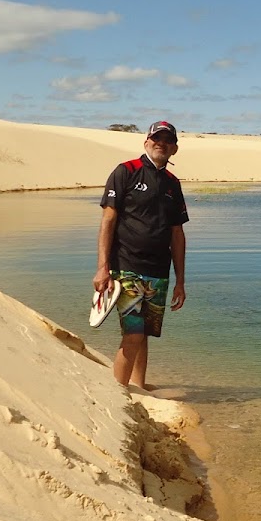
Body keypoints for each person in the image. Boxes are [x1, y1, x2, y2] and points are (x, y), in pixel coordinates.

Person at [93, 120, 188, 389]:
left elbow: (177, 234)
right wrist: (103, 266)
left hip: (158, 271)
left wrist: (180, 281)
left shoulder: (172, 183)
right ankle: (118, 395)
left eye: (167, 140)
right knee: (133, 334)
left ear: (174, 149)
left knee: (143, 333)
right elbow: (108, 220)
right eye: (156, 138)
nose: (161, 143)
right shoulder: (126, 172)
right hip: (126, 267)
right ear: (146, 142)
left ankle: (138, 387)